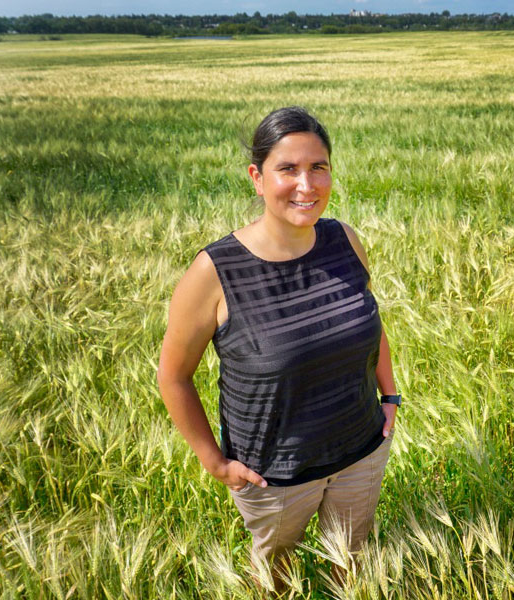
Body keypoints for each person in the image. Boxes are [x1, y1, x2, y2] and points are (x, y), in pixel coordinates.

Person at [157, 106, 400, 581]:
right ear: (257, 177)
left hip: (362, 449)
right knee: (276, 575)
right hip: (275, 474)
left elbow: (370, 322)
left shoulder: (344, 240)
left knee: (349, 565)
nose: (306, 186)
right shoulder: (215, 271)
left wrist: (389, 396)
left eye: (318, 168)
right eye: (287, 169)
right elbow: (174, 376)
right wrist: (216, 463)